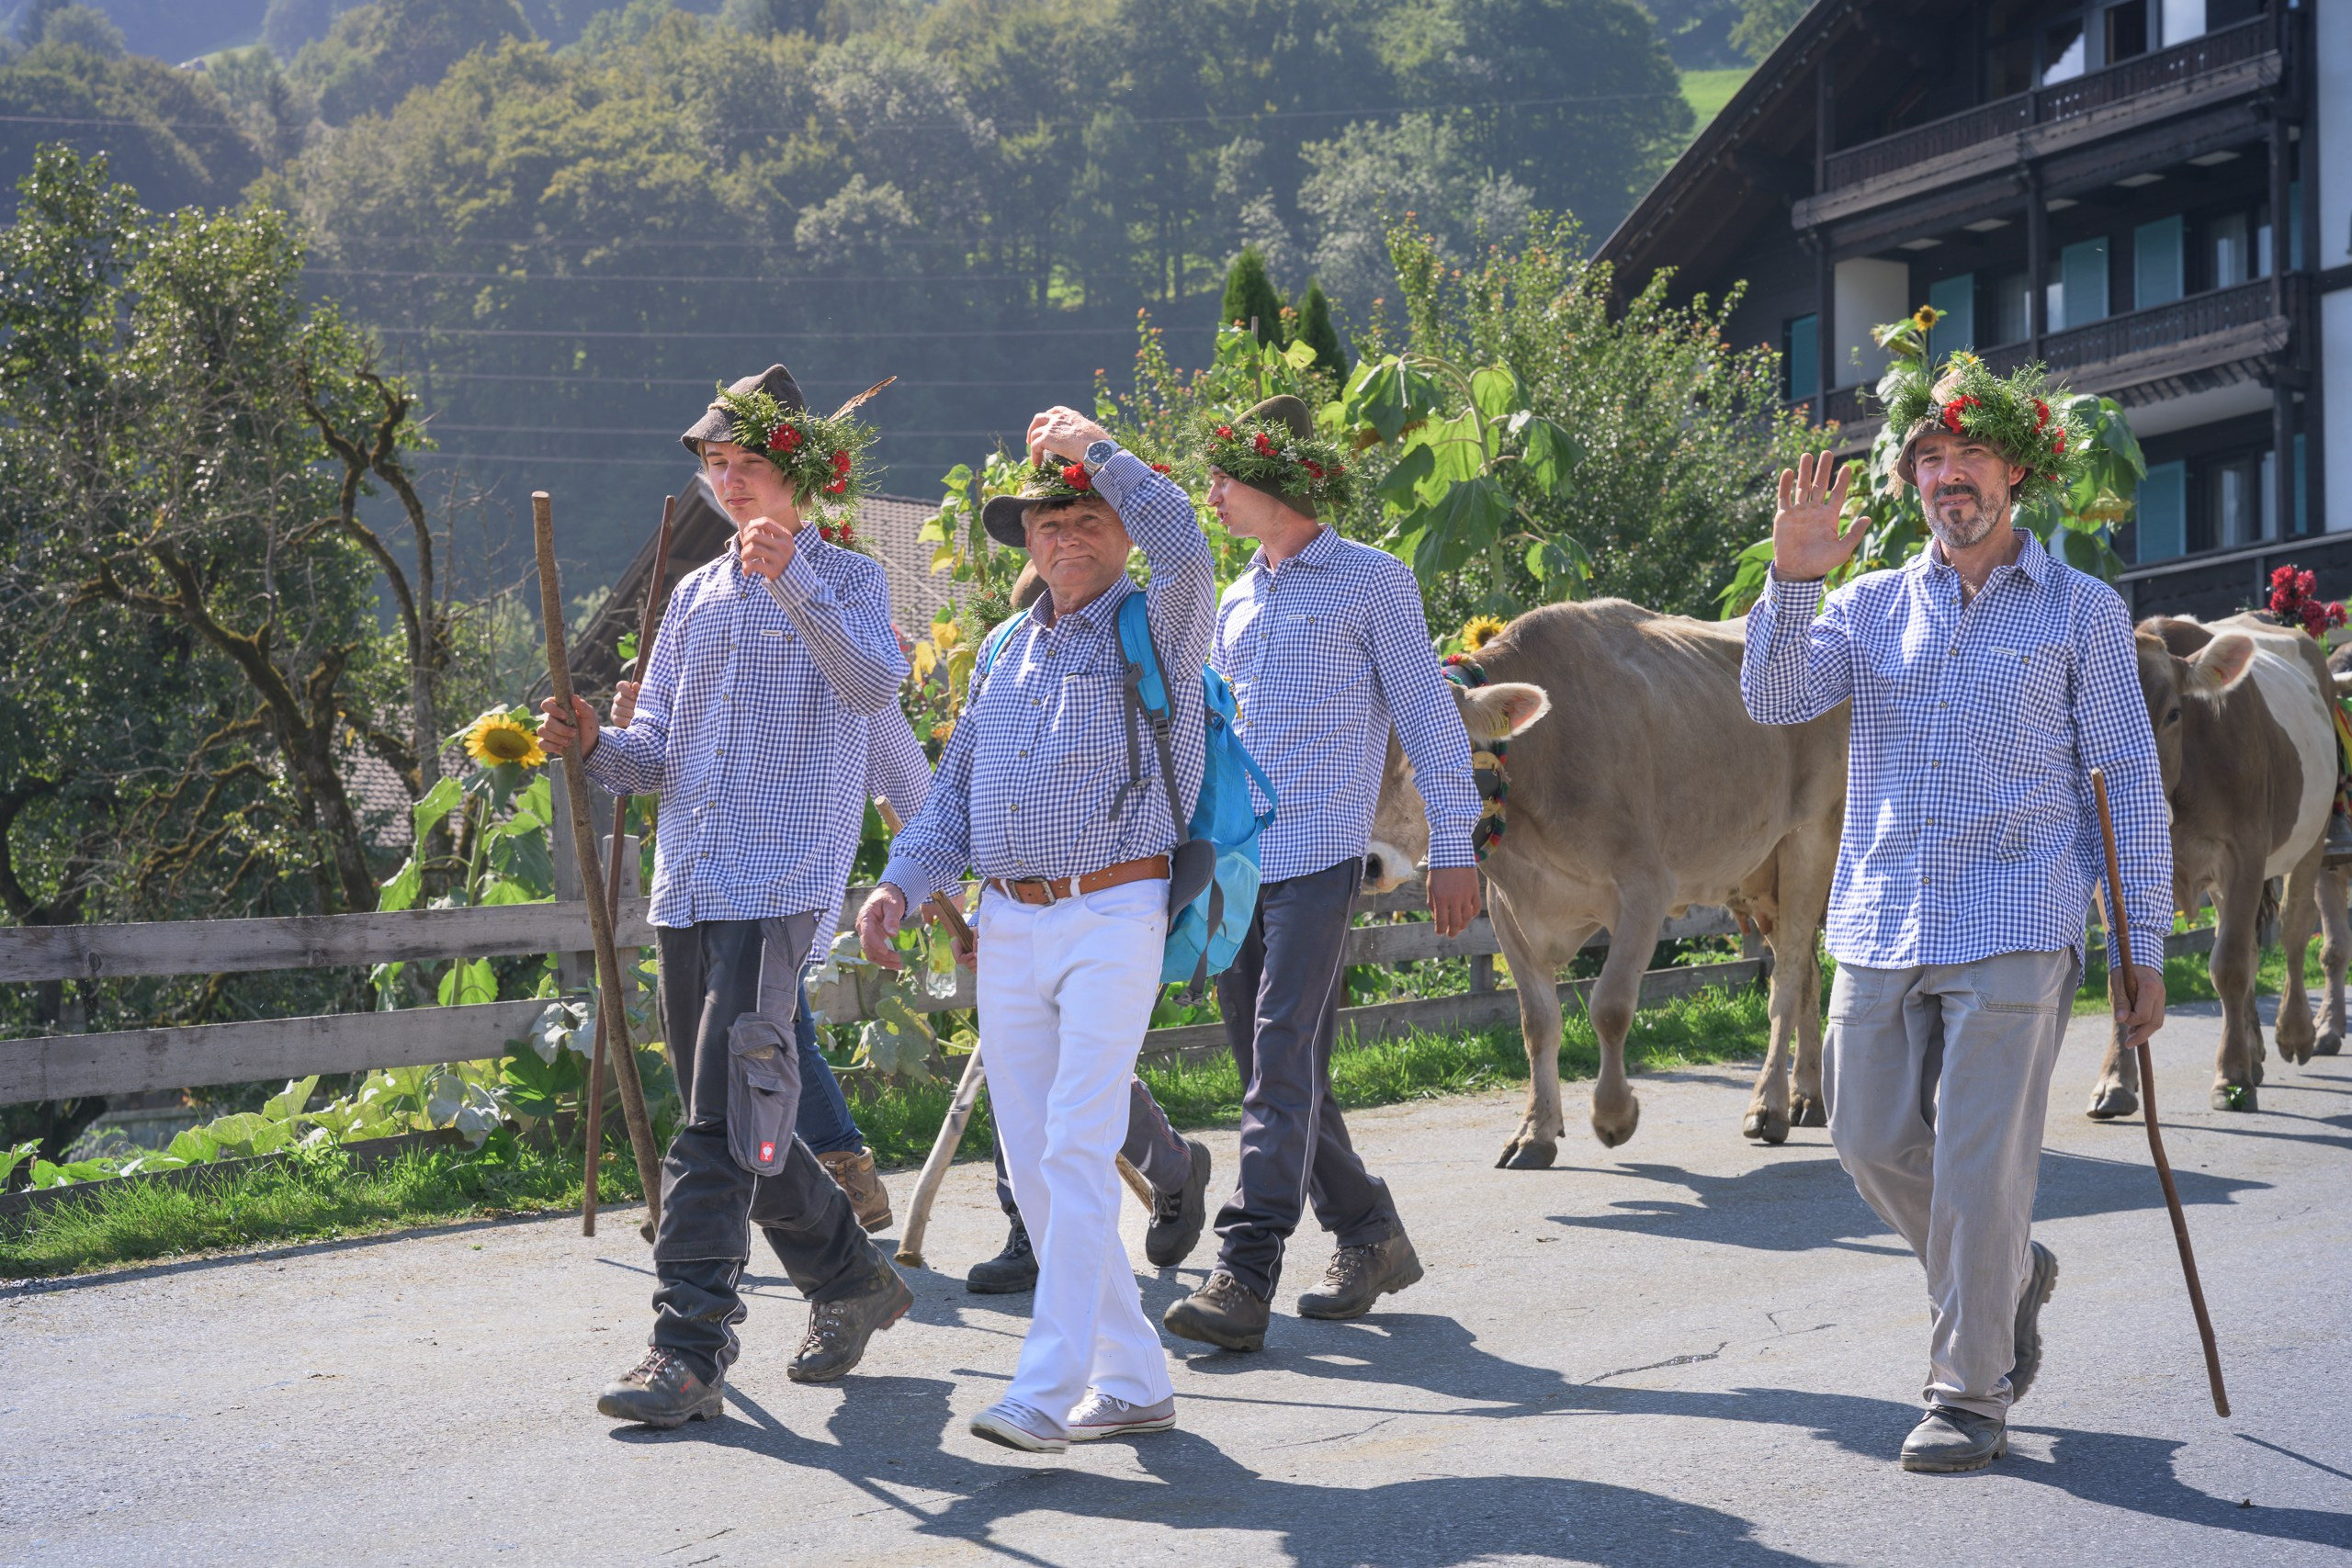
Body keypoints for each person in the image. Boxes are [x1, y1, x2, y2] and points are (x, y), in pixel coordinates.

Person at [1738, 345, 2170, 1473]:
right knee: (1866, 1136)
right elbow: (1775, 696)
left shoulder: (2080, 611)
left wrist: (2142, 945)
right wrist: (1790, 579)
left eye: (1970, 452)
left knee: (1982, 1171)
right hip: (1881, 915)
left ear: (2015, 474)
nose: (1948, 476)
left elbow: (2126, 777)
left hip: (2021, 914)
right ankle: (2011, 1275)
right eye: (1929, 458)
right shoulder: (1870, 606)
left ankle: (1966, 1392)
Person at [539, 364, 916, 1429]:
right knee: (747, 1114)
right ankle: (850, 1275)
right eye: (717, 464)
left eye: (749, 464)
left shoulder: (848, 580)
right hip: (688, 881)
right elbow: (656, 754)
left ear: (798, 475)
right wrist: (595, 742)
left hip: (781, 877)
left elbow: (871, 689)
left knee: (710, 1121)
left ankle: (688, 1346)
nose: (731, 483)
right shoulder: (693, 598)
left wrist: (791, 580)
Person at [858, 405, 1213, 1453]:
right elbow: (954, 798)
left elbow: (1188, 536)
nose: (1064, 534)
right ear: (1027, 540)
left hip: (1116, 905)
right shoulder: (1008, 647)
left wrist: (1100, 451)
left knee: (1074, 1144)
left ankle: (1047, 1390)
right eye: (1046, 521)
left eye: (1087, 516)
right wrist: (899, 882)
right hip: (1010, 920)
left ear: (1119, 528)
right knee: (1034, 1155)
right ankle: (1137, 1380)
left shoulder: (1163, 621)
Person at [1159, 396, 1482, 1353]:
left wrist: (1453, 844)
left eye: (1224, 478)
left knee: (1279, 1057)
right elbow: (1212, 741)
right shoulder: (1235, 595)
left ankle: (1244, 1268)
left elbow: (1427, 716)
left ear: (1279, 485)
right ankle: (1369, 1232)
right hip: (1232, 866)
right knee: (1277, 1064)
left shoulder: (1371, 581)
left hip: (1318, 856)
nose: (1209, 493)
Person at [605, 673, 928, 1233]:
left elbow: (903, 768)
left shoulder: (832, 638)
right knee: (760, 1042)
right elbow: (658, 751)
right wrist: (642, 722)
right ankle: (830, 1186)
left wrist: (925, 863)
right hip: (701, 881)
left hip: (780, 883)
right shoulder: (706, 622)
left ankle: (714, 1201)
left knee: (754, 1045)